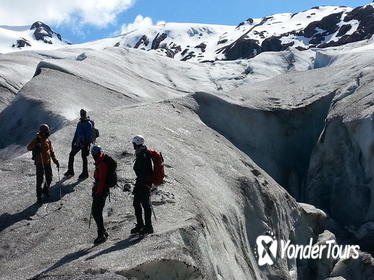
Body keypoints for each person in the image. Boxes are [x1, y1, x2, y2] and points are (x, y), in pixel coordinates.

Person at [27, 124, 59, 204]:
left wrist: (55, 161)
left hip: (47, 162)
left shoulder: (48, 140)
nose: (48, 132)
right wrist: (36, 147)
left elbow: (51, 152)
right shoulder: (37, 140)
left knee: (49, 178)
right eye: (46, 131)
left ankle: (45, 190)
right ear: (43, 132)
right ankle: (39, 196)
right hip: (40, 163)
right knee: (39, 180)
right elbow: (29, 147)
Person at [131, 135, 154, 235]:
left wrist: (144, 182)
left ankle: (148, 226)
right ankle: (141, 225)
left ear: (136, 144)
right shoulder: (142, 153)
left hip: (143, 183)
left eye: (133, 144)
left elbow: (144, 171)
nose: (133, 145)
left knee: (144, 204)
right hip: (142, 182)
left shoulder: (143, 155)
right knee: (137, 203)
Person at [64, 109, 93, 179]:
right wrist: (73, 141)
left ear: (85, 114)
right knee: (72, 155)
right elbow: (76, 133)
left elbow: (89, 135)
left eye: (83, 114)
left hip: (85, 144)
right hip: (79, 142)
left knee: (83, 157)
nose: (82, 115)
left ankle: (85, 173)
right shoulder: (80, 123)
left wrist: (85, 143)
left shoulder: (88, 124)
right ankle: (71, 170)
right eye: (81, 114)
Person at [91, 145, 109, 244]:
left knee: (96, 212)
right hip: (101, 191)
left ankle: (101, 234)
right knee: (97, 211)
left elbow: (102, 180)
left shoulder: (101, 164)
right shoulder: (100, 162)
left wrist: (98, 193)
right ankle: (102, 232)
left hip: (101, 192)